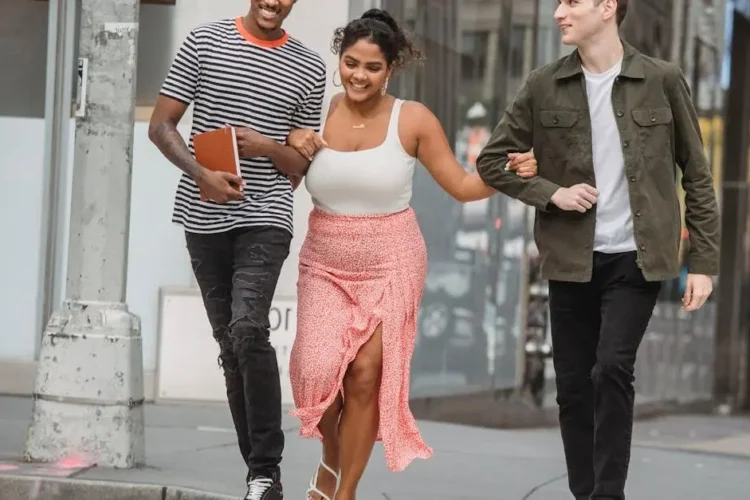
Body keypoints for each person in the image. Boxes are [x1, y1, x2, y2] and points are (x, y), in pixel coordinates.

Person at [282, 9, 538, 500]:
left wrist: (512, 173)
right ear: (339, 60)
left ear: (391, 69)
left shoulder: (412, 118)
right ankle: (331, 462)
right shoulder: (318, 109)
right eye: (351, 63)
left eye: (372, 67)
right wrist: (293, 139)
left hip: (391, 258)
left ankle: (344, 492)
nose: (359, 75)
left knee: (363, 375)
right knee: (314, 370)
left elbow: (462, 185)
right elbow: (286, 168)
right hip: (325, 258)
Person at [475, 1, 721, 499]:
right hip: (571, 259)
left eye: (572, 2)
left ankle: (608, 494)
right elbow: (491, 160)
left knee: (611, 366)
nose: (559, 13)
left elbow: (696, 175)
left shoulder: (663, 79)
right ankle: (584, 492)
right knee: (572, 387)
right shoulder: (544, 83)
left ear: (607, 7)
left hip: (637, 257)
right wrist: (552, 193)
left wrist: (704, 263)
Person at [147, 1, 326, 499]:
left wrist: (267, 146)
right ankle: (260, 475)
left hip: (266, 216)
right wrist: (201, 173)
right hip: (203, 216)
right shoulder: (204, 42)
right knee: (229, 346)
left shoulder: (310, 65)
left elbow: (300, 164)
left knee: (248, 327)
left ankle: (266, 470)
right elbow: (161, 125)